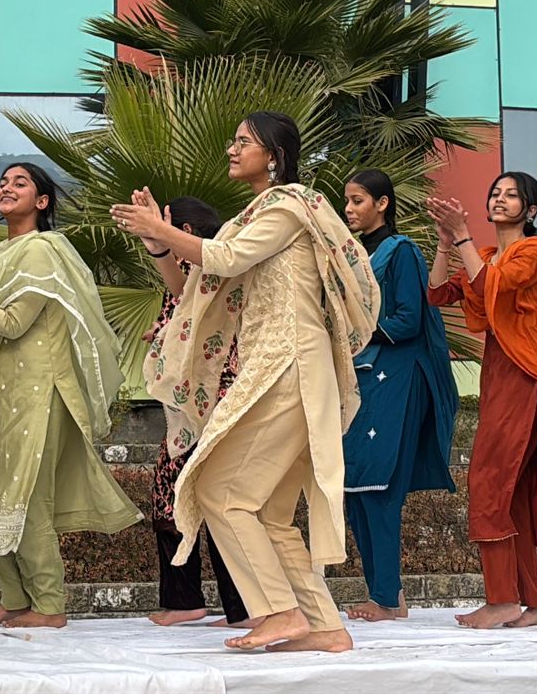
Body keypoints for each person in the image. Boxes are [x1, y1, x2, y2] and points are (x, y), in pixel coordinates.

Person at [111, 112, 380, 653]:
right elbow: (199, 284)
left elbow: (226, 257)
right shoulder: (255, 216)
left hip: (289, 365)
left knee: (219, 490)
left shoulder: (288, 206)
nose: (232, 150)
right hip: (281, 368)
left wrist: (162, 229)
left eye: (243, 142)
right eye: (233, 141)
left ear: (274, 156)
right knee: (271, 515)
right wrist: (160, 244)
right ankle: (325, 627)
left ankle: (279, 611)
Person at [0, 163, 141, 629]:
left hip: (38, 393)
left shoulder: (42, 250)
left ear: (42, 202)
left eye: (20, 183)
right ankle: (15, 598)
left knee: (26, 497)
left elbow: (12, 323)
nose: (6, 187)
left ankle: (49, 606)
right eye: (3, 181)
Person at [426, 172, 537, 630]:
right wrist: (446, 243)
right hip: (499, 380)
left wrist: (463, 236)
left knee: (487, 482)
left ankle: (503, 599)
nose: (499, 200)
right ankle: (536, 605)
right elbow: (437, 293)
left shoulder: (534, 250)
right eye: (494, 193)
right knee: (513, 497)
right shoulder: (485, 254)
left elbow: (493, 285)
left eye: (511, 195)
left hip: (525, 379)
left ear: (532, 210)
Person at [339, 170, 458, 622]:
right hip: (362, 379)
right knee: (356, 488)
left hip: (399, 378)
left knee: (380, 485)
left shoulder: (401, 252)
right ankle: (385, 595)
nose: (349, 209)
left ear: (382, 203)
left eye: (357, 200)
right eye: (347, 201)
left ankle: (387, 599)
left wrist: (355, 334)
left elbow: (409, 319)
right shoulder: (355, 256)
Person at [136, 196, 249, 628]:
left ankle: (243, 608)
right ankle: (185, 601)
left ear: (185, 231)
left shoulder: (215, 263)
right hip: (187, 406)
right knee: (170, 494)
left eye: (165, 224)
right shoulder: (188, 269)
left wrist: (160, 246)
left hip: (215, 398)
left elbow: (191, 300)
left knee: (216, 497)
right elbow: (181, 305)